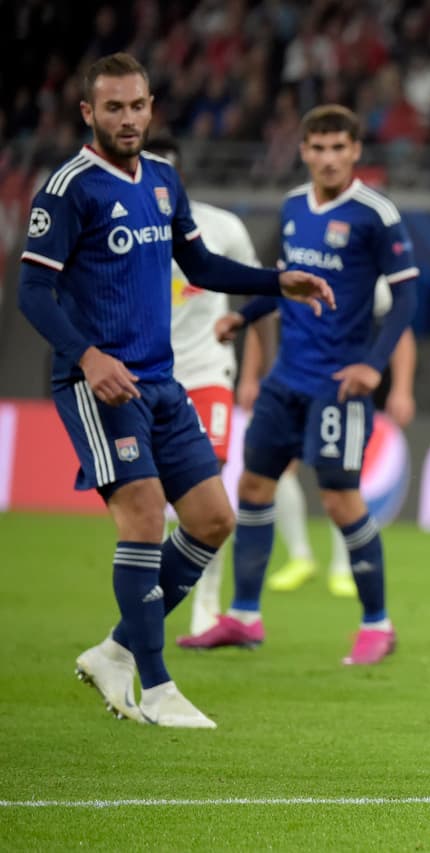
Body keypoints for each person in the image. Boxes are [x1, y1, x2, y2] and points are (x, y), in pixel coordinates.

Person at [17, 53, 333, 727]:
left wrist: (281, 280)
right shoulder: (69, 188)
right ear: (88, 114)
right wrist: (88, 355)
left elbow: (203, 264)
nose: (126, 119)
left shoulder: (162, 181)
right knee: (143, 512)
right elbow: (32, 291)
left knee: (213, 518)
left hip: (161, 380)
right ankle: (156, 686)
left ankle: (116, 650)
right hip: (97, 384)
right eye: (113, 108)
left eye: (136, 106)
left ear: (151, 107)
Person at [177, 104, 419, 666]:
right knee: (254, 490)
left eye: (340, 147)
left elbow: (407, 294)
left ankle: (377, 624)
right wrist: (245, 314)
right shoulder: (291, 206)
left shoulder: (375, 215)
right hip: (285, 378)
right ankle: (242, 616)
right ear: (304, 150)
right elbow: (288, 282)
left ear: (356, 151)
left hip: (338, 383)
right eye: (319, 147)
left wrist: (375, 366)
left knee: (339, 499)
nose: (329, 158)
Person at [145, 136, 261, 636]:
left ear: (180, 176)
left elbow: (255, 297)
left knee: (206, 487)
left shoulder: (222, 228)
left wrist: (253, 372)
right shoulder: (127, 230)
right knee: (157, 499)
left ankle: (206, 602)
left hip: (211, 373)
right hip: (151, 377)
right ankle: (157, 593)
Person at [237, 279, 417, 599]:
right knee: (276, 473)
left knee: (338, 483)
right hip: (290, 384)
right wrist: (251, 377)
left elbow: (400, 330)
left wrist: (401, 388)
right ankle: (300, 557)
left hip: (338, 389)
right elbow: (261, 317)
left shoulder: (365, 275)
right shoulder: (296, 263)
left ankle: (341, 566)